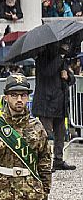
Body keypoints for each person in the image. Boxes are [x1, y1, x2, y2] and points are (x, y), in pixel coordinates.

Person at [32, 42, 75, 170]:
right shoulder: (42, 58)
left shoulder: (61, 60)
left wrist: (67, 77)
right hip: (46, 102)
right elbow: (48, 72)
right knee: (45, 134)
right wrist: (59, 59)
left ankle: (58, 159)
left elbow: (71, 79)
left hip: (59, 102)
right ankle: (43, 161)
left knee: (60, 133)